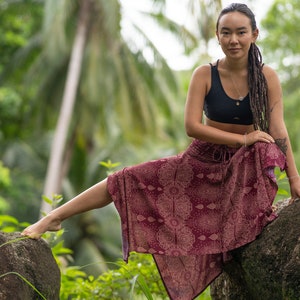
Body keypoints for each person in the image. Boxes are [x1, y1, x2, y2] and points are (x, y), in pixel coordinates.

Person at [22, 3, 300, 300]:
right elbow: (192, 127)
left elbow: (278, 129)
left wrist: (294, 180)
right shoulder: (204, 74)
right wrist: (242, 139)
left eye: (241, 32)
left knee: (266, 150)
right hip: (202, 160)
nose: (234, 40)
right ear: (216, 36)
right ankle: (53, 218)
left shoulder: (266, 75)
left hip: (242, 166)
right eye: (226, 33)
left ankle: (244, 221)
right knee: (126, 179)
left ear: (254, 35)